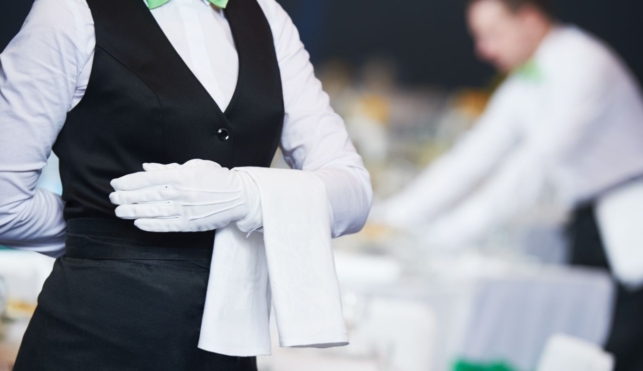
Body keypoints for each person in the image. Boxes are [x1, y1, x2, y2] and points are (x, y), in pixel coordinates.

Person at [0, 0, 372, 369]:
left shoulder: (266, 15)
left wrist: (245, 196)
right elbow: (5, 204)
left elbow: (353, 191)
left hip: (227, 351)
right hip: (90, 340)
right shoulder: (68, 11)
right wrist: (101, 231)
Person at [372, 0, 643, 369]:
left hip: (630, 223)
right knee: (584, 343)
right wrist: (391, 218)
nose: (484, 49)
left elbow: (532, 169)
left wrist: (444, 236)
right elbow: (470, 157)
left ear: (529, 20)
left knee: (614, 350)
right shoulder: (527, 78)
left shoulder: (584, 63)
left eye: (492, 34)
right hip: (588, 222)